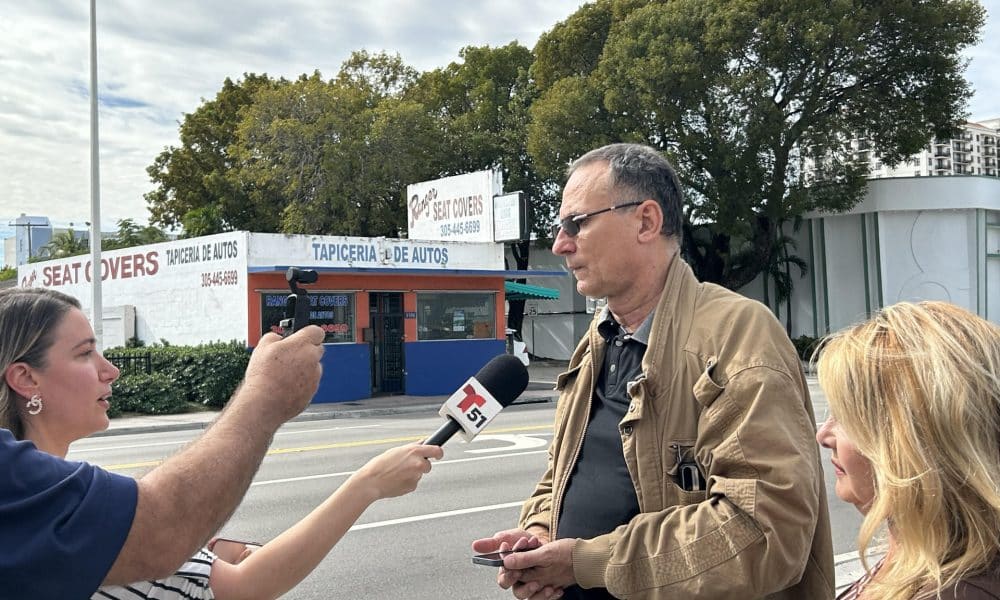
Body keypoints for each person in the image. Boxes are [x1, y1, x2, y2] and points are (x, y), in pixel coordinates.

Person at [473, 143, 834, 599]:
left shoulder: (736, 335)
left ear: (646, 221)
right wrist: (539, 536)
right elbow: (560, 474)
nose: (561, 244)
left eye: (576, 224)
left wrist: (585, 563)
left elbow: (764, 532)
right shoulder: (598, 340)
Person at [0, 287, 440, 599]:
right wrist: (368, 482)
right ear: (25, 377)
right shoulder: (67, 519)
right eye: (83, 353)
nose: (109, 369)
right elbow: (239, 582)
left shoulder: (60, 506)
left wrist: (202, 546)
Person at [815, 301, 1000, 600]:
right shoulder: (920, 552)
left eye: (847, 418)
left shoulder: (957, 591)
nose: (822, 435)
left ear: (914, 443)